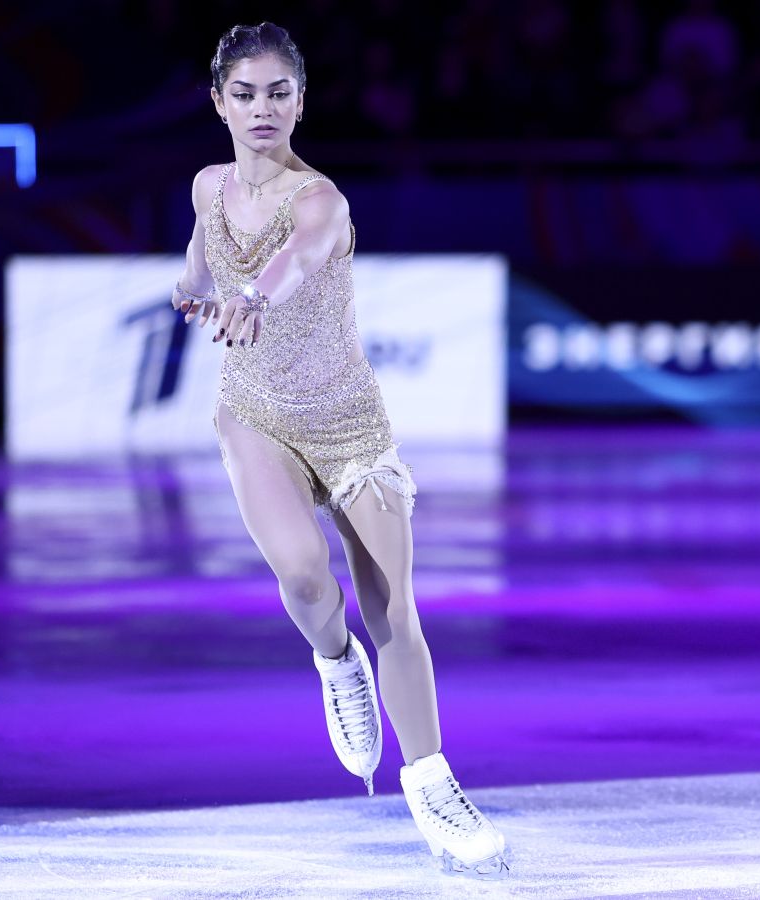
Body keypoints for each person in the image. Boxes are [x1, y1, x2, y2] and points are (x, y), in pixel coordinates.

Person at [171, 22, 509, 880]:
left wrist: (254, 295)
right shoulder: (209, 186)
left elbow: (298, 255)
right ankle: (333, 661)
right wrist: (193, 287)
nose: (262, 109)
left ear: (300, 101)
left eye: (278, 93)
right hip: (256, 415)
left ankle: (431, 784)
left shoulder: (321, 199)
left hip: (350, 426)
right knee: (305, 581)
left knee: (392, 608)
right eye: (244, 94)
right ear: (218, 102)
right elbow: (205, 248)